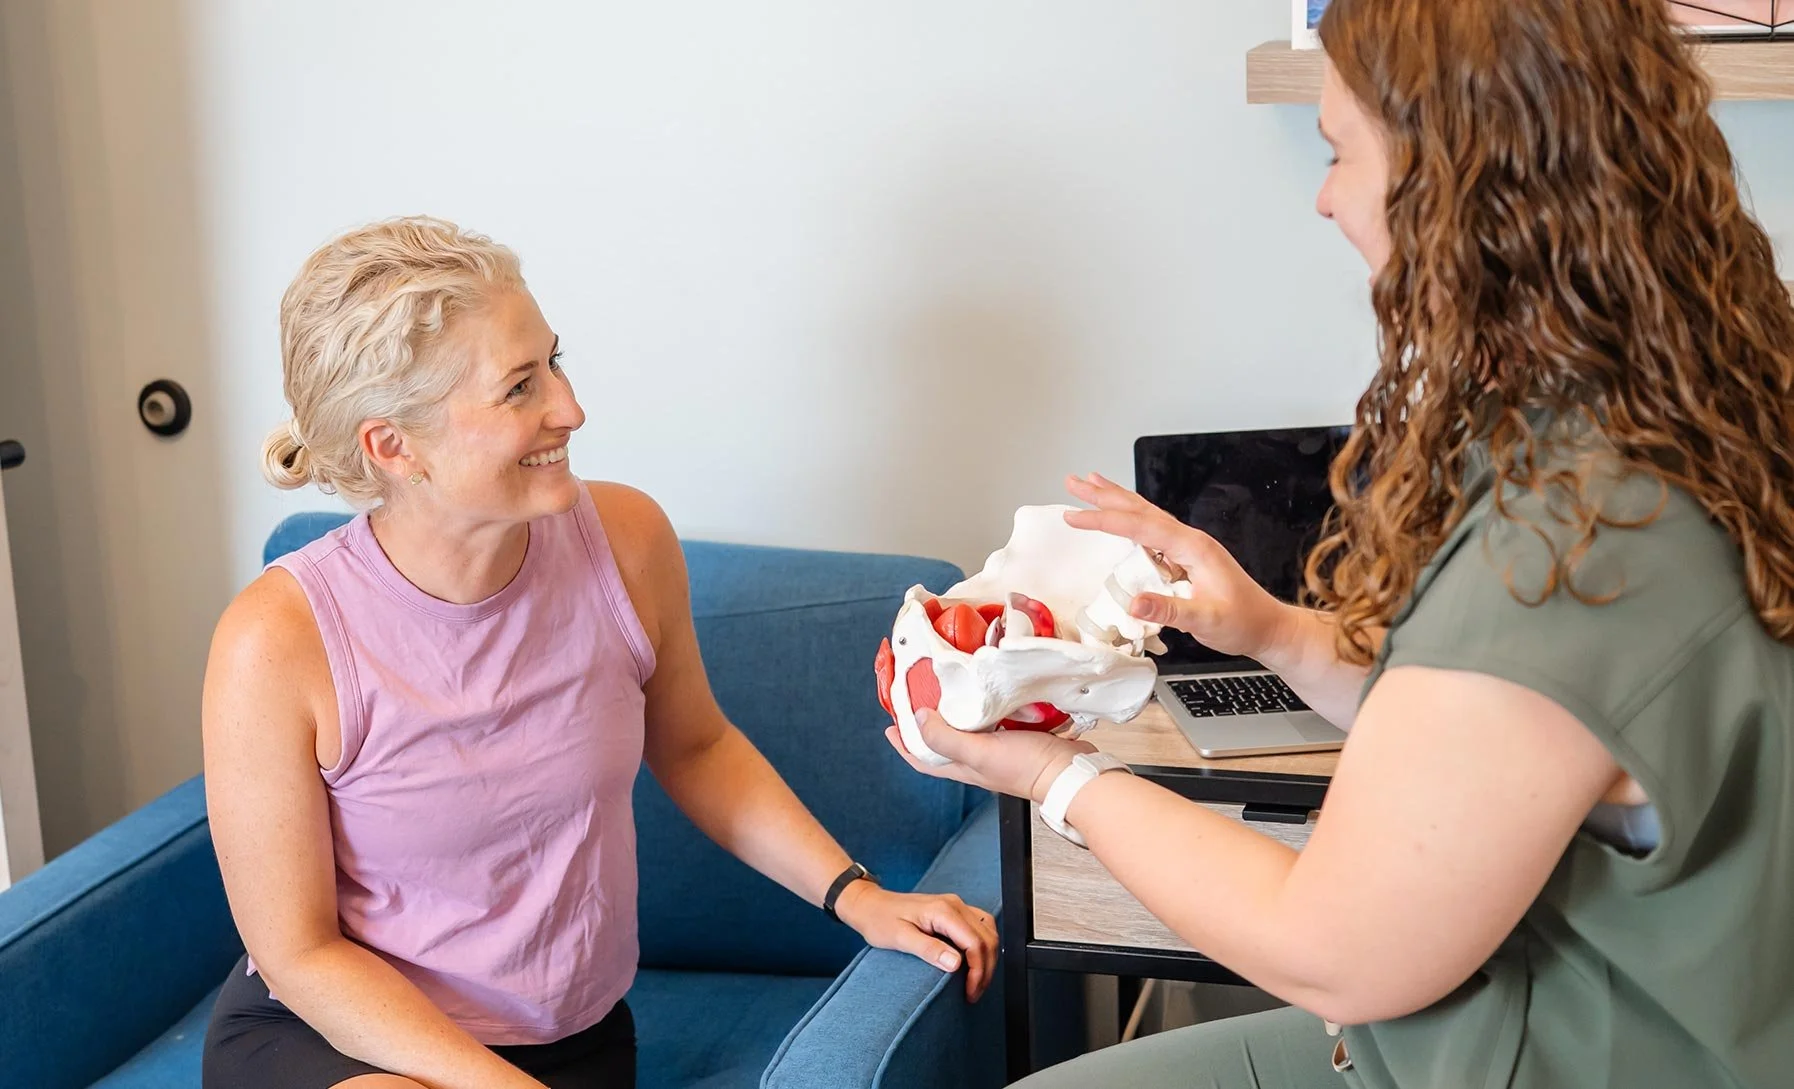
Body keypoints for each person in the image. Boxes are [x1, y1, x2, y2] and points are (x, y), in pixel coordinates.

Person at [891, 0, 1794, 1086]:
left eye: (1336, 153)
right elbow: (1508, 747)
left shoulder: (1573, 536)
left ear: (1459, 177)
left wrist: (1051, 773)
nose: (1323, 200)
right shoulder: (1692, 415)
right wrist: (1271, 631)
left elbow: (1328, 949)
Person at [198, 216, 997, 1089]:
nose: (569, 409)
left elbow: (697, 747)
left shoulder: (624, 541)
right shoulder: (276, 640)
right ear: (393, 445)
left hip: (570, 1043)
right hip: (344, 1040)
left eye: (554, 361)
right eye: (518, 388)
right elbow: (300, 953)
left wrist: (860, 896)